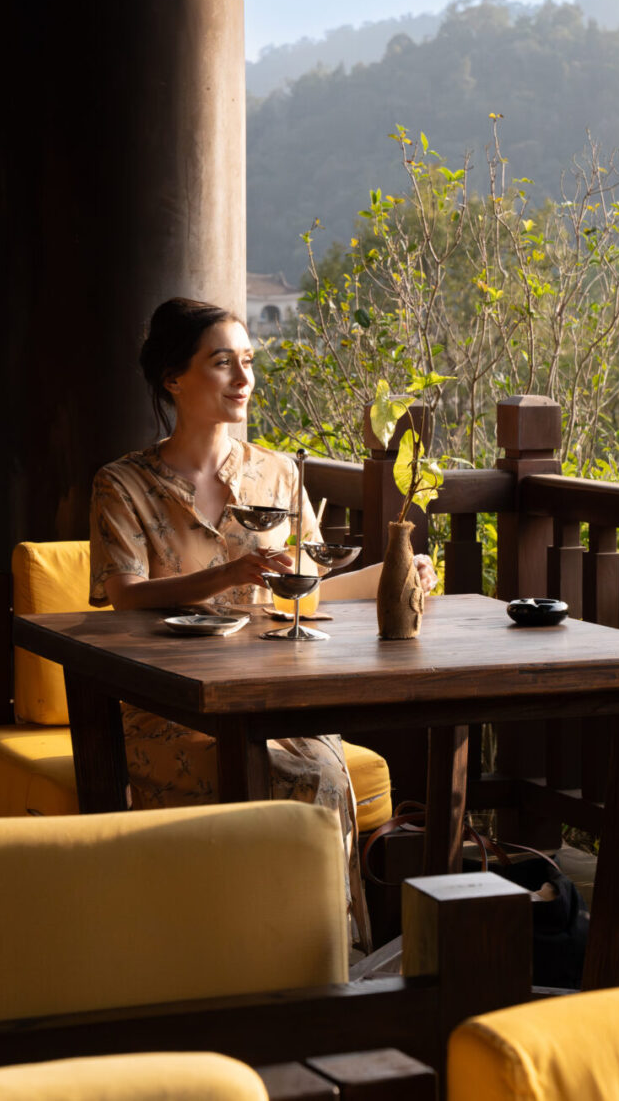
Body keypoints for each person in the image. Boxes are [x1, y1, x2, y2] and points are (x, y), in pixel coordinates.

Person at [89, 297, 434, 950]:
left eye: (248, 362)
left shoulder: (276, 471)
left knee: (319, 775)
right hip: (171, 708)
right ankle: (308, 960)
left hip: (272, 696)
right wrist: (225, 576)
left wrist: (397, 574)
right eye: (223, 364)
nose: (244, 380)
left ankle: (317, 962)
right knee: (316, 781)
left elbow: (303, 589)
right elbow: (125, 595)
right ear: (173, 377)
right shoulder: (123, 484)